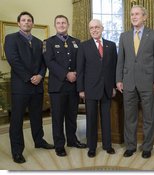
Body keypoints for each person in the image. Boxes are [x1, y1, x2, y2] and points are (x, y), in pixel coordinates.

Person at [4, 11, 54, 164]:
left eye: (29, 20)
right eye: (23, 20)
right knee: (17, 120)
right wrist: (28, 77)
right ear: (18, 23)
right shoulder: (11, 39)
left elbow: (44, 63)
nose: (26, 22)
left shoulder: (40, 42)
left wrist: (40, 75)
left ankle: (39, 141)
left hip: (37, 86)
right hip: (21, 86)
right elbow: (13, 60)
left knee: (36, 116)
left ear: (32, 23)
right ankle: (17, 151)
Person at [116, 5, 154, 159]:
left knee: (149, 117)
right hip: (128, 82)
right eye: (132, 14)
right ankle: (130, 146)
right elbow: (120, 61)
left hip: (148, 82)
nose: (134, 17)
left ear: (145, 17)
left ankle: (147, 147)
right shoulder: (124, 36)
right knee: (129, 117)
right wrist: (118, 80)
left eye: (137, 14)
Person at [43, 15, 87, 157]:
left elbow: (81, 62)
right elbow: (49, 61)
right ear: (55, 25)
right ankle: (59, 145)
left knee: (71, 115)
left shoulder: (76, 42)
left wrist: (76, 74)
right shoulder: (48, 42)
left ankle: (72, 140)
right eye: (58, 23)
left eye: (63, 23)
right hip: (58, 86)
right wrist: (66, 74)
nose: (61, 25)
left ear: (68, 24)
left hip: (73, 85)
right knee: (57, 117)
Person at [76, 19, 117, 158]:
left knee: (106, 118)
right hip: (90, 89)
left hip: (106, 88)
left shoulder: (111, 46)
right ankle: (91, 147)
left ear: (102, 28)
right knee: (91, 119)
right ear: (89, 30)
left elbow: (114, 68)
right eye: (91, 28)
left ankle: (107, 145)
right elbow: (80, 69)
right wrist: (81, 89)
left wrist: (113, 86)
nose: (94, 30)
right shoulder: (84, 46)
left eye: (97, 27)